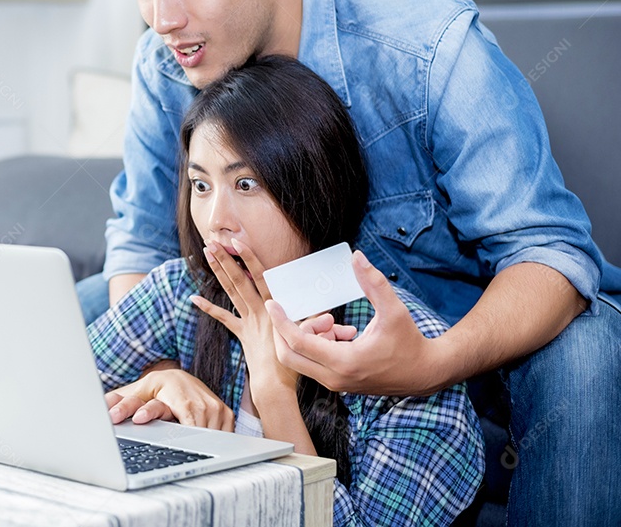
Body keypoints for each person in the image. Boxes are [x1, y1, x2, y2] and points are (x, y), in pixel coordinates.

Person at [76, 0, 621, 527]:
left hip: (459, 346)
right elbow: (144, 240)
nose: (162, 18)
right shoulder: (166, 61)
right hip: (276, 324)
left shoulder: (429, 51)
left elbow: (551, 254)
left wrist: (429, 362)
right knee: (88, 298)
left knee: (589, 352)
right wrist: (157, 373)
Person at [88, 57, 484, 525]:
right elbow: (36, 399)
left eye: (246, 183)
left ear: (317, 187)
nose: (216, 218)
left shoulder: (409, 358)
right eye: (200, 184)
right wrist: (158, 379)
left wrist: (275, 395)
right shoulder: (182, 290)